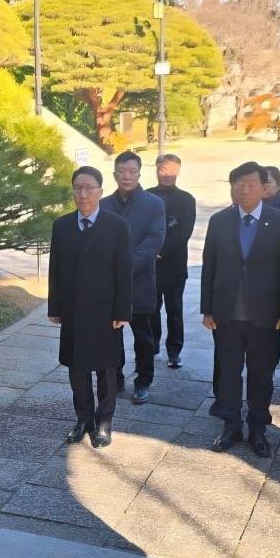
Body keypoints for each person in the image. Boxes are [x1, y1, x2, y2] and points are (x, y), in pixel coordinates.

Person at [201, 163, 280, 457]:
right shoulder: (220, 221)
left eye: (251, 184)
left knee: (261, 375)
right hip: (227, 314)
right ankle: (231, 426)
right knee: (228, 374)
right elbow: (209, 266)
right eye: (238, 184)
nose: (244, 190)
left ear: (264, 188)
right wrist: (207, 310)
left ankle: (258, 428)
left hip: (266, 316)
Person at [48, 166, 133, 449]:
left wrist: (122, 311)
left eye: (89, 188)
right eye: (78, 188)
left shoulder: (117, 226)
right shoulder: (62, 225)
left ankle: (104, 422)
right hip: (73, 309)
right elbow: (55, 268)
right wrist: (55, 306)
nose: (83, 194)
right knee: (77, 367)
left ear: (100, 191)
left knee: (106, 368)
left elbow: (124, 271)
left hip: (105, 311)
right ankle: (83, 418)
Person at [101, 150, 167, 404]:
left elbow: (154, 241)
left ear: (139, 174)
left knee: (144, 337)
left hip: (140, 281)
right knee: (111, 335)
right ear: (114, 174)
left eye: (132, 171)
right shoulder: (104, 205)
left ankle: (143, 381)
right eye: (122, 171)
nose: (126, 176)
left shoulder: (154, 204)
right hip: (110, 284)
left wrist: (124, 267)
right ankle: (115, 378)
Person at [148, 154, 196, 369]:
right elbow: (140, 227)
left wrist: (161, 251)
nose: (167, 175)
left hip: (175, 264)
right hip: (150, 265)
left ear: (178, 171)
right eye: (163, 169)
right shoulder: (146, 196)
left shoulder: (186, 199)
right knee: (151, 309)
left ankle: (174, 351)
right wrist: (150, 251)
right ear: (156, 169)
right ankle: (152, 346)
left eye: (171, 170)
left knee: (174, 310)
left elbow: (184, 231)